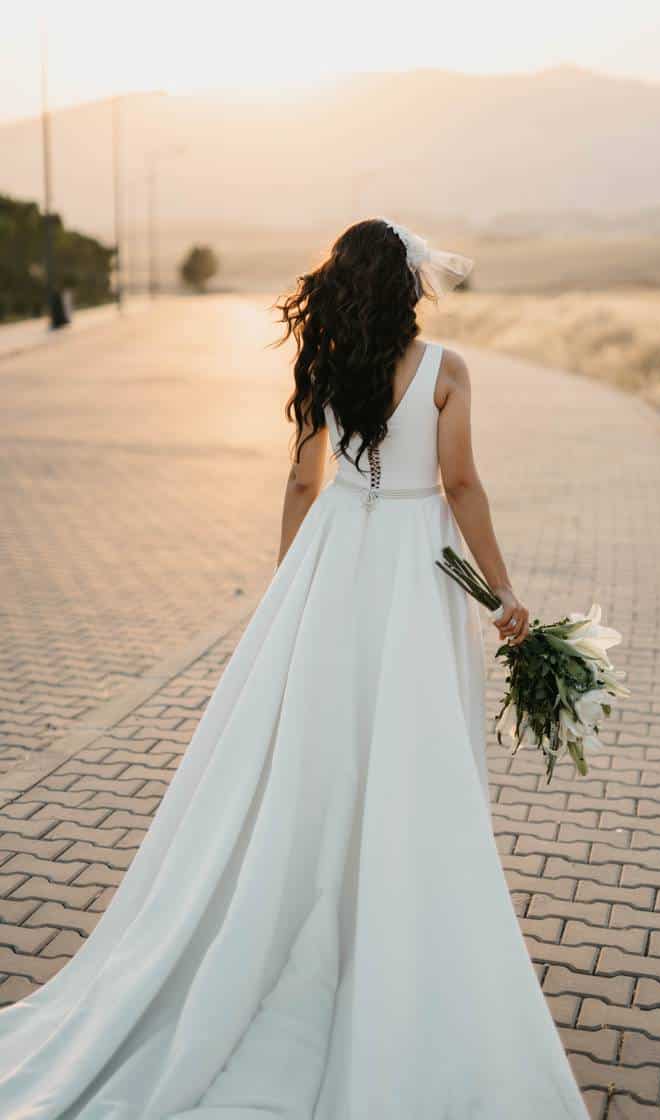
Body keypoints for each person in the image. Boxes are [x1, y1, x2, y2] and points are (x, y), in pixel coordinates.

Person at [0, 219, 589, 1118]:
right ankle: (392, 924)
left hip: (334, 562)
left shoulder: (326, 366)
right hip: (414, 574)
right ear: (409, 288)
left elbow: (304, 483)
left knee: (320, 744)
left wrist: (291, 585)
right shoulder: (448, 371)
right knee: (407, 742)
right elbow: (462, 485)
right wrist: (502, 594)